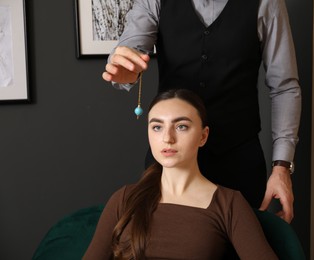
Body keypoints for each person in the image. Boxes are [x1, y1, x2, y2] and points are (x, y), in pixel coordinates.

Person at [102, 0, 301, 223]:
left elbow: (284, 87)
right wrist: (125, 66)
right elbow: (131, 48)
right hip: (170, 167)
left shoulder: (267, 3)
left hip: (239, 162)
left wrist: (282, 167)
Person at [83, 89, 277, 260]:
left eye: (181, 126)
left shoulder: (229, 204)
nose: (168, 138)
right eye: (157, 127)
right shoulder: (124, 199)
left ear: (203, 136)